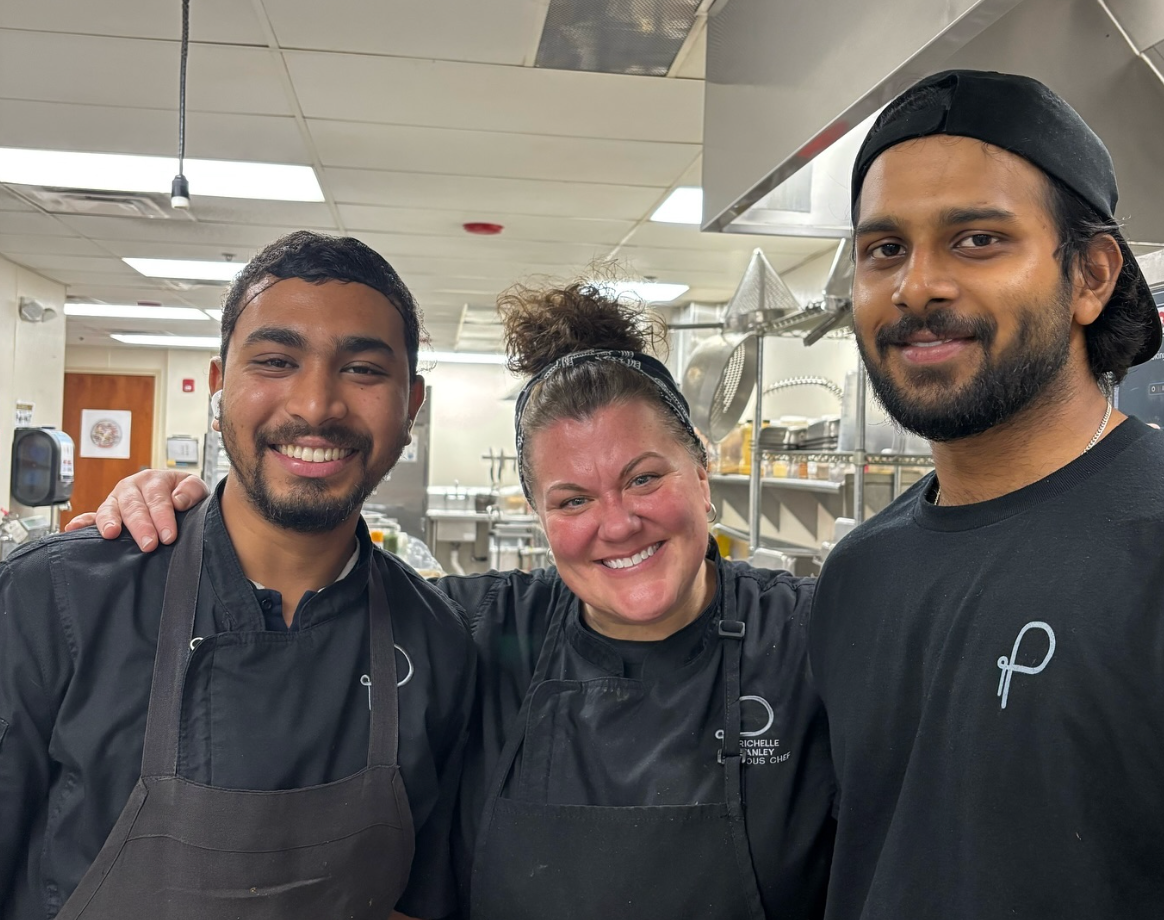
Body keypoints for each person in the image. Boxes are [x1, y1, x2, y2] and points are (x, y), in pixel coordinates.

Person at [70, 279, 837, 918]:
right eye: (572, 500)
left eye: (645, 478)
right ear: (539, 516)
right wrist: (188, 513)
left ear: (701, 471)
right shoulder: (469, 632)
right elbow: (295, 596)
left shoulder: (816, 635)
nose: (617, 523)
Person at [0, 231, 476, 919]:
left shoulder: (439, 644)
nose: (316, 406)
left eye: (364, 370)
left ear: (412, 405)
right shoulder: (54, 600)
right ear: (221, 386)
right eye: (277, 360)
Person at [808, 71, 1164, 918]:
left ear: (1092, 277)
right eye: (883, 249)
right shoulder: (858, 574)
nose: (916, 287)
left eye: (976, 240)